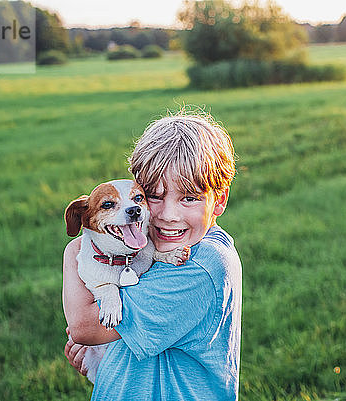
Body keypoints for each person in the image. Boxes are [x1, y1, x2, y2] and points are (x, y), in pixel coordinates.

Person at [62, 109, 242, 400]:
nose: (169, 216)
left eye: (189, 198)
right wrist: (100, 361)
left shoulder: (201, 266)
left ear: (219, 200)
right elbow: (114, 334)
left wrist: (75, 250)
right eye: (154, 196)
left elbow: (84, 325)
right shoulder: (145, 246)